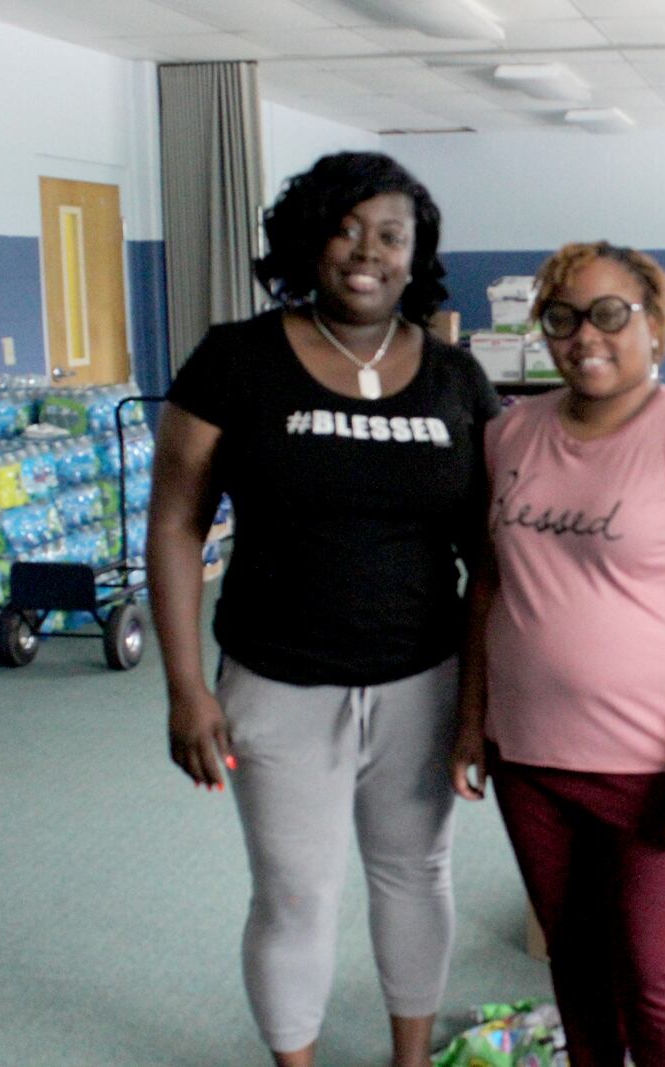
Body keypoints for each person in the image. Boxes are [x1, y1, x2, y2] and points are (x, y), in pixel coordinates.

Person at [148, 152, 499, 1067]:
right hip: (275, 679)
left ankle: (410, 1059)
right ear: (310, 239)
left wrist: (474, 708)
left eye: (391, 234)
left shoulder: (459, 381)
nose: (367, 251)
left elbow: (493, 557)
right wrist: (186, 685)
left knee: (415, 873)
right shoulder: (236, 359)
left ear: (415, 255)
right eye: (346, 227)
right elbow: (177, 524)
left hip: (421, 676)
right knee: (295, 892)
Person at [450, 241, 665, 1066]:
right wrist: (470, 720)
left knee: (653, 969)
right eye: (562, 317)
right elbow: (486, 583)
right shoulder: (511, 433)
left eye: (609, 314)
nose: (584, 335)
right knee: (576, 955)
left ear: (655, 327)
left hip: (655, 764)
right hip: (531, 756)